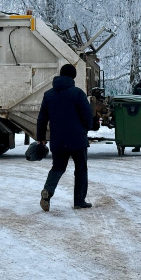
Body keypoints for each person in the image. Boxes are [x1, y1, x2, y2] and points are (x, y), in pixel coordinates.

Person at [37, 64, 94, 211]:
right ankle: (79, 200)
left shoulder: (48, 95)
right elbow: (87, 114)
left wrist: (41, 137)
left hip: (58, 140)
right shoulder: (78, 93)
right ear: (73, 76)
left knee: (57, 168)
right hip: (77, 139)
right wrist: (86, 128)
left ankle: (48, 191)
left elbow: (42, 118)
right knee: (80, 169)